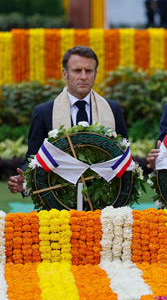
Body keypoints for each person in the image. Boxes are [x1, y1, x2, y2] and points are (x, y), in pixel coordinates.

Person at [7, 45, 129, 194]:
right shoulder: (44, 112)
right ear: (65, 74)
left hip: (103, 197)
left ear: (95, 74)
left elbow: (123, 155)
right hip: (59, 198)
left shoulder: (112, 109)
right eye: (77, 70)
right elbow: (34, 158)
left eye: (89, 71)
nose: (83, 76)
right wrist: (25, 182)